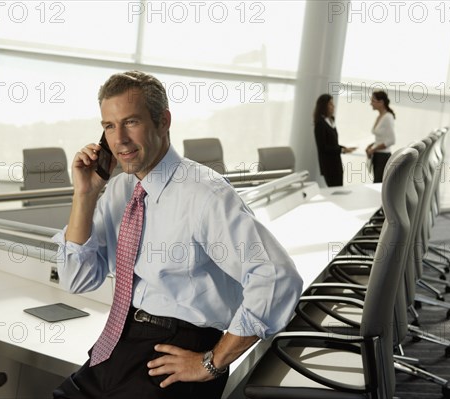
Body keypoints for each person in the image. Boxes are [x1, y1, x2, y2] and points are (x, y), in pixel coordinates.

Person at [52, 71, 303, 399]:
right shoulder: (119, 190)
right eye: (109, 127)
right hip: (118, 342)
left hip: (176, 350)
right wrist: (84, 195)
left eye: (131, 122)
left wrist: (212, 362)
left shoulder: (204, 194)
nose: (120, 140)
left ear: (163, 121)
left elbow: (277, 277)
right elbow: (77, 279)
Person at [313, 94, 356, 187]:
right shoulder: (320, 124)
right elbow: (323, 147)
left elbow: (333, 143)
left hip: (336, 164)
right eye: (330, 104)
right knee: (335, 190)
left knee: (339, 190)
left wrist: (344, 148)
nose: (333, 106)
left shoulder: (331, 121)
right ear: (324, 106)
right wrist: (341, 150)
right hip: (329, 166)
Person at [365, 90, 396, 183]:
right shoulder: (380, 116)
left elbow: (392, 140)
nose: (371, 103)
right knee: (376, 182)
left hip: (383, 157)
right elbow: (382, 138)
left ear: (381, 102)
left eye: (373, 101)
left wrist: (374, 149)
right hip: (378, 156)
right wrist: (371, 146)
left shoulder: (388, 117)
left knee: (378, 184)